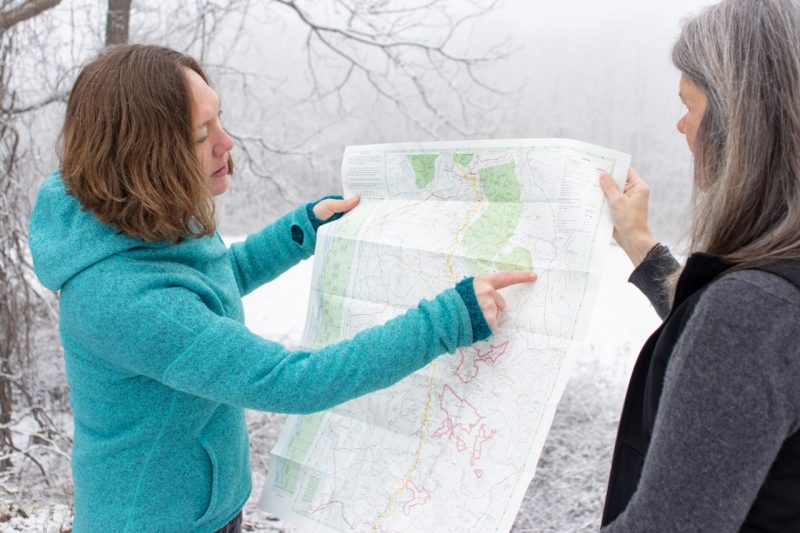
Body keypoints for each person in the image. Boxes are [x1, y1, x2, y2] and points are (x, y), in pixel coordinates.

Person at [27, 45, 536, 533]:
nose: (228, 144)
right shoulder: (126, 301)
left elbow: (210, 287)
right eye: (204, 135)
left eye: (220, 118)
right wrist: (448, 320)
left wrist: (303, 229)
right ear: (148, 157)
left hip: (204, 509)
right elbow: (295, 381)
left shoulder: (140, 220)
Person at [597, 0, 800, 530]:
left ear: (742, 120)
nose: (680, 125)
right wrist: (640, 242)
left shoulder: (755, 309)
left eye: (689, 103)